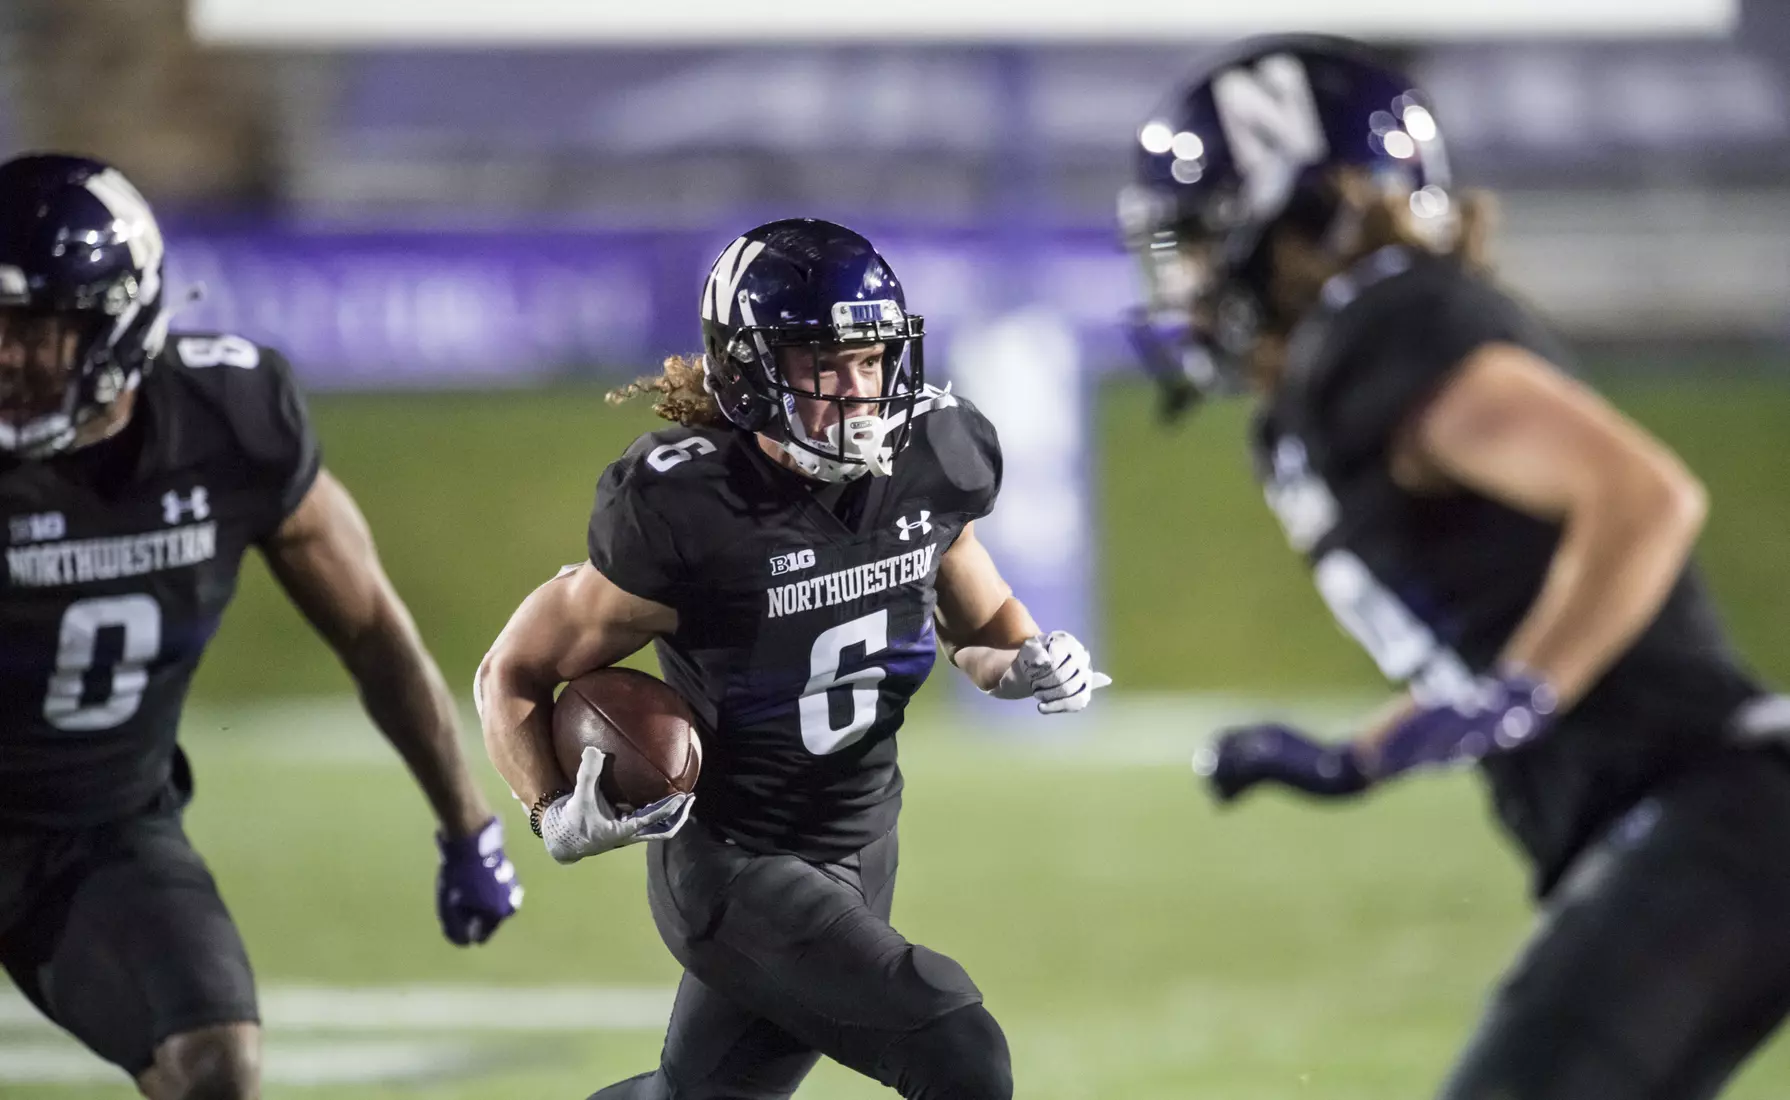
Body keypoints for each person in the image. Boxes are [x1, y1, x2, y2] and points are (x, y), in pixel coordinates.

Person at [1122, 35, 1790, 1100]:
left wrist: (1524, 692)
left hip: (1710, 815)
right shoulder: (1340, 374)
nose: (1187, 282)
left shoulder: (1384, 323)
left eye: (1199, 241)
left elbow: (1641, 497)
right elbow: (1489, 650)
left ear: (1298, 217)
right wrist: (1363, 757)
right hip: (1694, 826)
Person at [478, 218, 1108, 1100]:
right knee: (957, 1049)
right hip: (736, 861)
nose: (858, 391)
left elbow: (981, 622)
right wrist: (550, 807)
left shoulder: (934, 456)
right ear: (749, 373)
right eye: (824, 364)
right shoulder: (691, 508)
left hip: (862, 842)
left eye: (871, 359)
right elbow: (511, 670)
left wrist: (1026, 661)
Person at [0, 153, 522, 1100]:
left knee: (217, 1064)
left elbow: (371, 630)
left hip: (101, 833)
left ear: (117, 322)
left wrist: (467, 823)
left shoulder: (229, 420)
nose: (5, 355)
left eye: (33, 329)